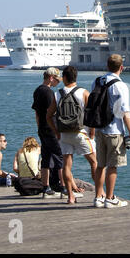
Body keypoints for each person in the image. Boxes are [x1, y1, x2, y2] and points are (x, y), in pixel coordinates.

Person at [46, 66, 99, 204]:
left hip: (64, 134)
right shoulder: (83, 92)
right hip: (81, 133)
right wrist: (92, 131)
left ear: (64, 78)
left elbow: (48, 116)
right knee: (94, 162)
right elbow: (92, 114)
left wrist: (57, 132)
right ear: (76, 77)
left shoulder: (57, 94)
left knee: (66, 166)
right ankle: (100, 194)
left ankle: (70, 196)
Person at [92, 54, 130, 208]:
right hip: (115, 130)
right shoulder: (121, 85)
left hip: (99, 129)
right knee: (113, 165)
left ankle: (98, 197)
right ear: (121, 68)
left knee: (100, 165)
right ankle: (110, 198)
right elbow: (124, 111)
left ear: (107, 66)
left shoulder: (97, 81)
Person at [32, 67, 65, 196]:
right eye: (57, 80)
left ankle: (45, 187)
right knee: (60, 157)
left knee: (46, 157)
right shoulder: (49, 93)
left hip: (42, 129)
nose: (58, 83)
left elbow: (37, 113)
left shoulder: (38, 90)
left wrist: (39, 127)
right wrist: (56, 130)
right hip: (51, 129)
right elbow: (52, 113)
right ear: (51, 78)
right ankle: (63, 186)